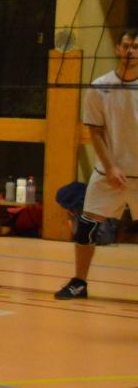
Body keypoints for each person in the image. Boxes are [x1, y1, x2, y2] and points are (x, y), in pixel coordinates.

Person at [55, 27, 138, 300]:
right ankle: (79, 282)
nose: (131, 51)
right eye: (126, 46)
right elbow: (95, 132)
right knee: (86, 226)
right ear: (118, 48)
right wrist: (111, 167)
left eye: (136, 47)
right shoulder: (100, 87)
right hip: (108, 171)